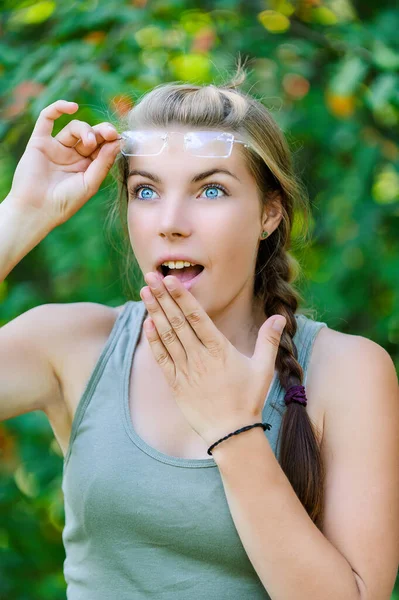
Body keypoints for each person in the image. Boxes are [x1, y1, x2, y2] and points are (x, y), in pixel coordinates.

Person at [1, 65, 398, 599]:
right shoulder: (70, 344)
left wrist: (233, 431)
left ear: (270, 214)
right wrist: (20, 215)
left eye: (210, 191)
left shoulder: (349, 371)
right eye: (145, 191)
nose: (171, 221)